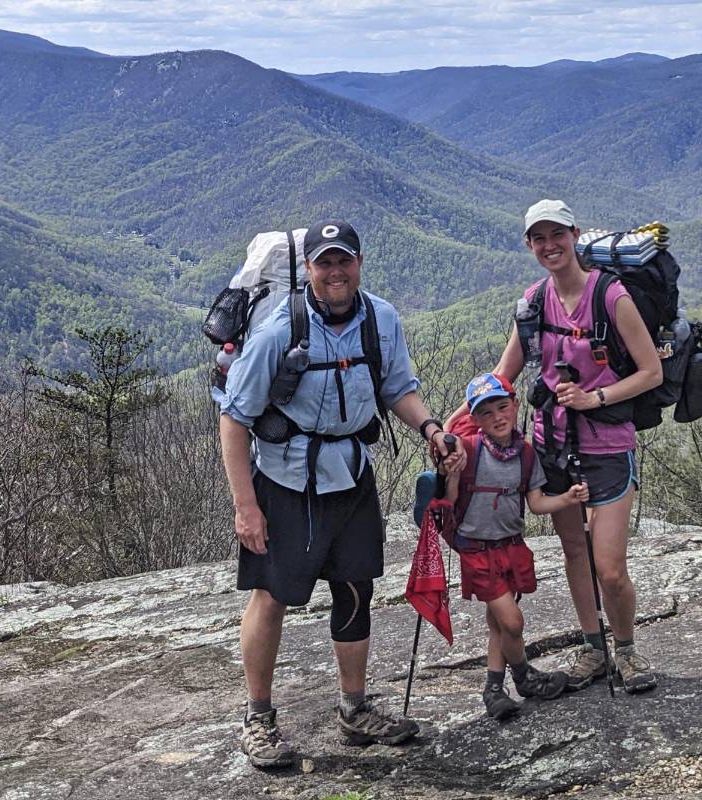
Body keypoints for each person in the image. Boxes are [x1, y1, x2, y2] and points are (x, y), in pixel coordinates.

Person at [220, 219, 463, 769]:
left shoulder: (380, 318)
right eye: (324, 262)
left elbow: (398, 387)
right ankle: (257, 719)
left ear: (359, 263)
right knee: (272, 596)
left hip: (352, 476)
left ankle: (354, 710)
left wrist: (431, 430)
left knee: (355, 591)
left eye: (344, 260)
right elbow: (233, 420)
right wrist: (246, 506)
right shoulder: (280, 330)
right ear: (308, 269)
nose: (335, 271)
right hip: (285, 484)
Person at [447, 199, 663, 694]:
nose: (550, 246)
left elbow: (651, 371)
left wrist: (595, 397)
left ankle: (626, 650)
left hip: (608, 446)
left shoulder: (612, 297)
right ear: (529, 245)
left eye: (557, 235)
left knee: (609, 568)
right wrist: (452, 425)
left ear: (575, 234)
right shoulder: (533, 304)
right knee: (574, 553)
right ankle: (593, 646)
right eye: (539, 238)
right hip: (553, 447)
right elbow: (505, 374)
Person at [444, 372, 589, 719]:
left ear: (515, 406)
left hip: (510, 546)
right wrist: (449, 473)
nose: (497, 417)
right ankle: (523, 675)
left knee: (498, 623)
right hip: (477, 549)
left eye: (502, 407)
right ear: (475, 419)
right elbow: (449, 500)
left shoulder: (525, 454)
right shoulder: (470, 451)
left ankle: (494, 689)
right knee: (512, 622)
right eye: (487, 412)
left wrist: (568, 499)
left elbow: (536, 503)